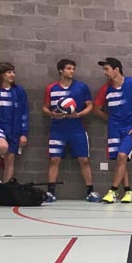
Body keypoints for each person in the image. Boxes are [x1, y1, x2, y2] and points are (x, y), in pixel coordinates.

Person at [92, 58, 132, 204]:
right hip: (114, 130)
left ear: (116, 70)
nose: (105, 72)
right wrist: (111, 120)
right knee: (120, 160)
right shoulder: (105, 89)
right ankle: (128, 192)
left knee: (122, 155)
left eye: (107, 69)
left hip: (130, 129)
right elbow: (96, 109)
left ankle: (113, 191)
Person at [42, 59, 100, 203]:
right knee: (54, 159)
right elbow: (44, 107)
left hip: (77, 128)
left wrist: (79, 114)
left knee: (84, 160)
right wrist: (52, 114)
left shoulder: (81, 87)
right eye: (68, 68)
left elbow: (90, 105)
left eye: (73, 68)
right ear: (60, 70)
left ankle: (90, 192)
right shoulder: (51, 88)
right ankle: (50, 193)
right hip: (57, 129)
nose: (72, 71)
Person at [0, 62, 28, 183]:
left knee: (10, 162)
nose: (13, 74)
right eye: (9, 72)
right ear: (1, 75)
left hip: (14, 130)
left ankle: (6, 188)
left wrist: (24, 133)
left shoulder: (19, 91)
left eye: (13, 72)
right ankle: (1, 154)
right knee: (3, 147)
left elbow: (24, 113)